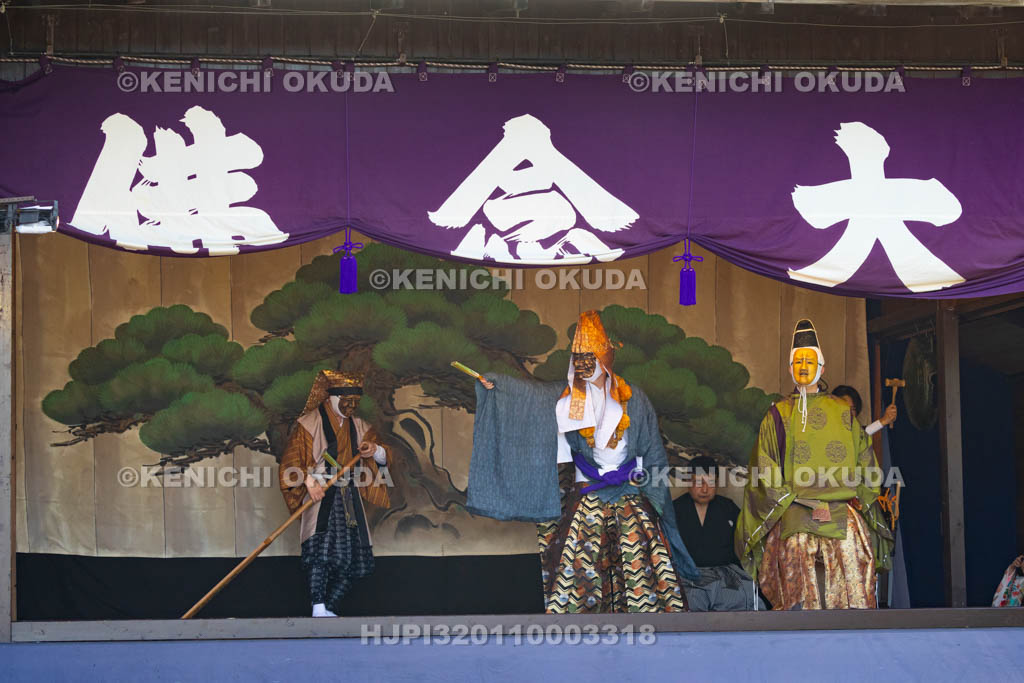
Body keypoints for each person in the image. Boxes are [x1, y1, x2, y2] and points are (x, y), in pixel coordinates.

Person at [469, 310, 699, 613]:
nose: (583, 364)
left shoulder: (634, 398)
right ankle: (578, 637)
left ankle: (647, 634)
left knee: (641, 570)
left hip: (629, 491)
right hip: (589, 493)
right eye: (578, 357)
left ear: (605, 357)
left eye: (589, 357)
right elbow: (529, 397)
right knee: (578, 575)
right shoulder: (566, 398)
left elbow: (652, 453)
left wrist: (646, 484)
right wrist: (499, 387)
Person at [735, 318, 893, 610]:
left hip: (841, 510)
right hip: (793, 507)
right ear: (789, 369)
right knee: (794, 547)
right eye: (797, 362)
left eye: (809, 360)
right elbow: (764, 468)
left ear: (822, 368)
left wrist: (855, 497)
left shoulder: (843, 411)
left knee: (851, 548)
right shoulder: (777, 414)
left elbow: (866, 463)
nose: (804, 366)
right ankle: (800, 634)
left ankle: (854, 635)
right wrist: (793, 500)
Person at [278, 370, 391, 618]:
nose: (351, 407)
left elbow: (382, 456)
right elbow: (291, 462)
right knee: (320, 551)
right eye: (346, 401)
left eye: (355, 403)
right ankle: (318, 605)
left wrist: (374, 450)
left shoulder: (361, 427)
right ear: (330, 399)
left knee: (354, 556)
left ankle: (329, 606)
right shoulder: (308, 424)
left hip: (349, 496)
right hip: (322, 494)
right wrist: (308, 481)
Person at [674, 455, 762, 611]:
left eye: (711, 483)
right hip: (687, 577)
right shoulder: (675, 510)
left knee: (751, 599)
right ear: (689, 482)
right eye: (699, 483)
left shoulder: (727, 508)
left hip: (725, 575)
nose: (705, 489)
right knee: (688, 605)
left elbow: (746, 543)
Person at [831, 385, 897, 436]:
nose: (849, 413)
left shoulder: (855, 432)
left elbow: (862, 434)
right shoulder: (827, 429)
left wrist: (885, 420)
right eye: (846, 408)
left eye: (853, 409)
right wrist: (883, 420)